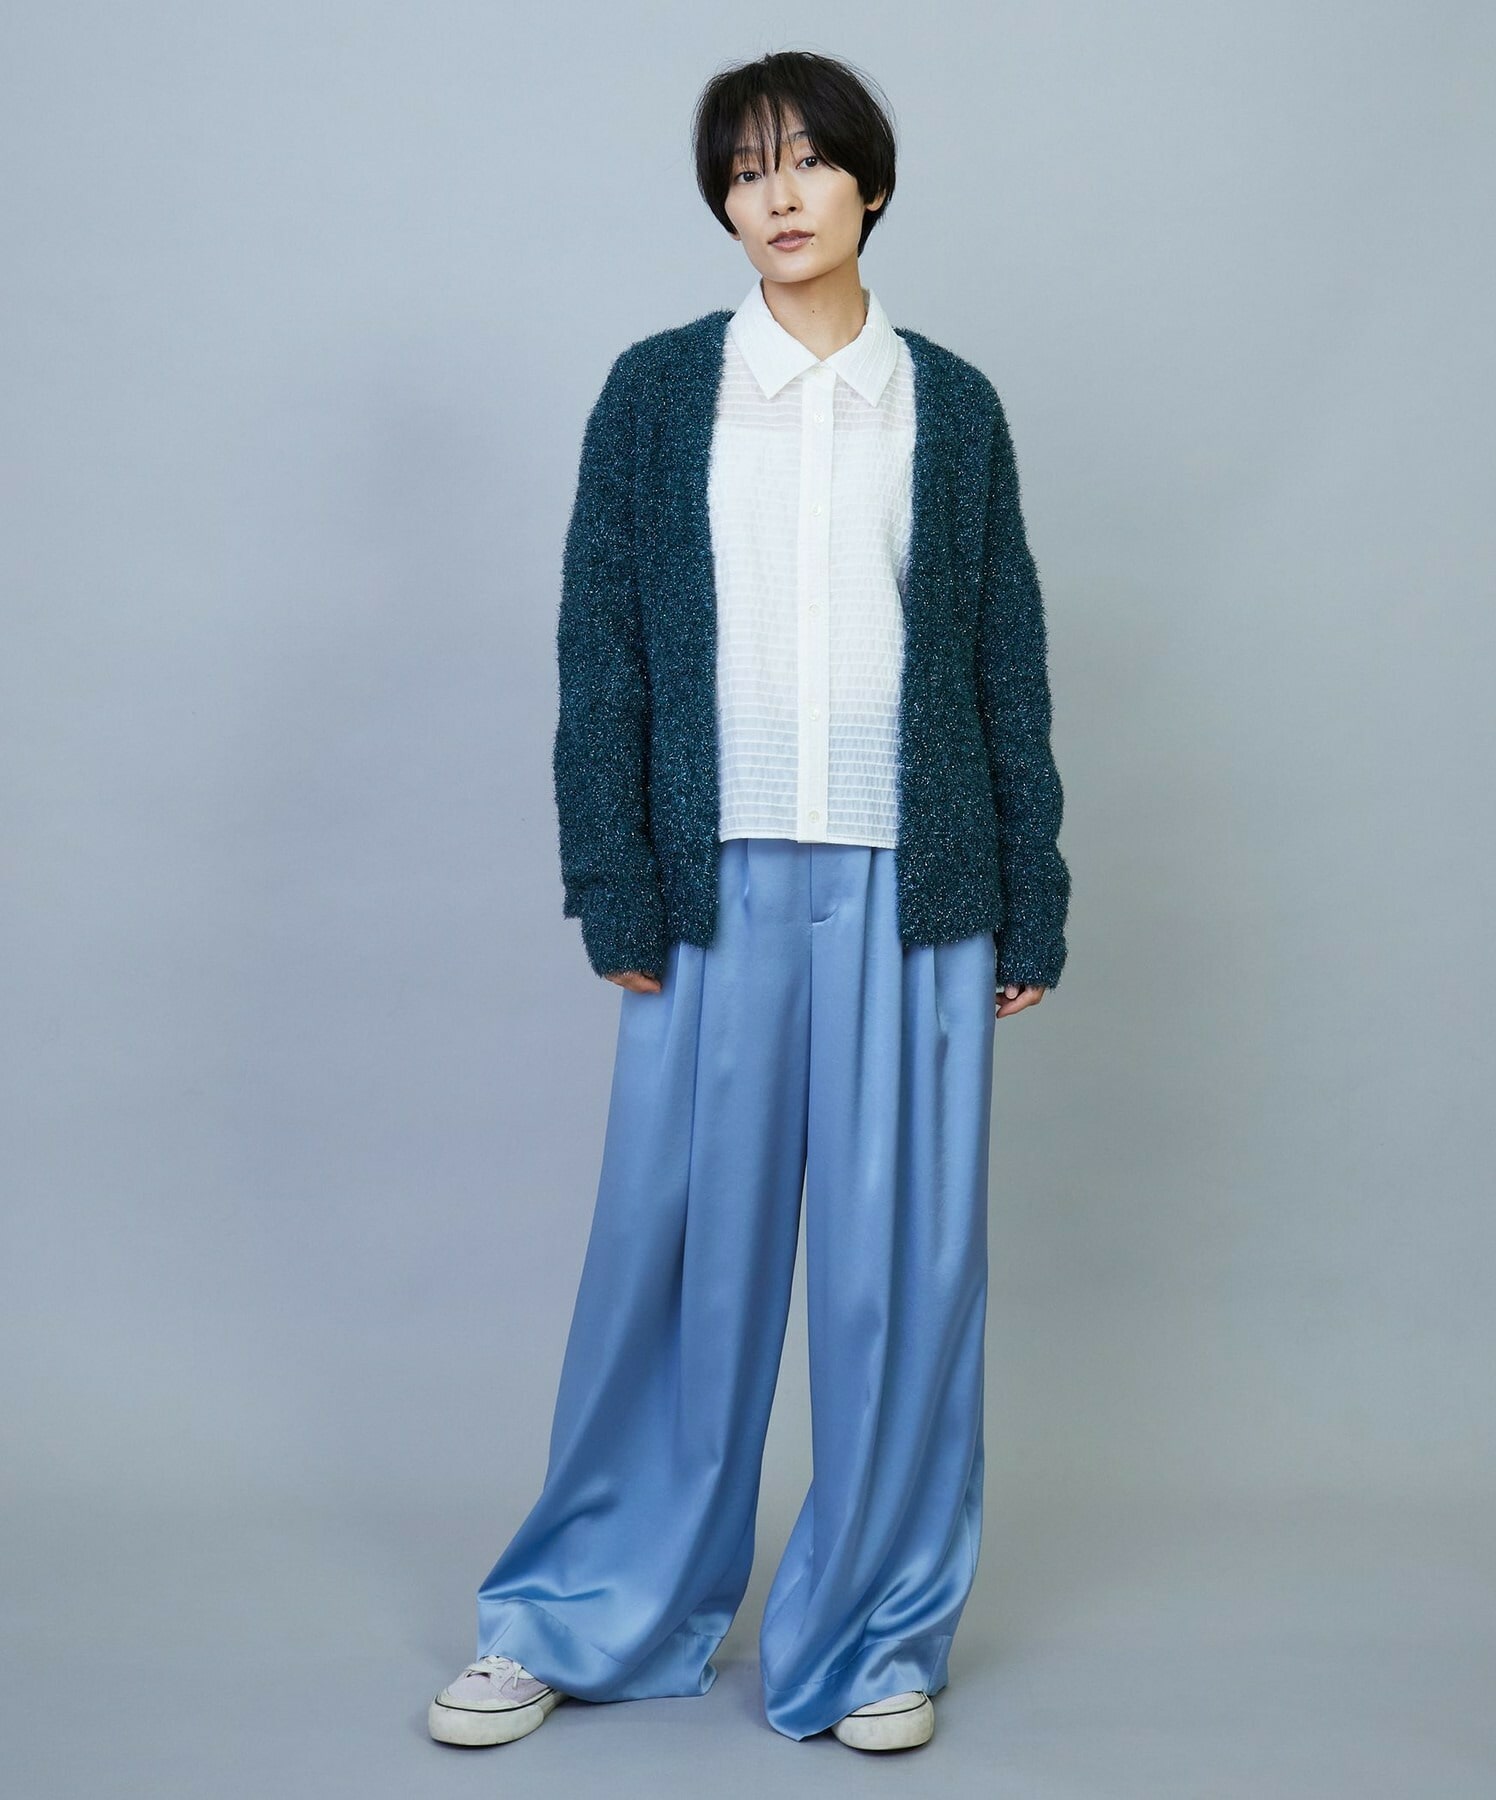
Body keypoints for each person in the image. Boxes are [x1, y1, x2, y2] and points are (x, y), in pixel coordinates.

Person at [428, 47, 1070, 1755]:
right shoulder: (658, 394)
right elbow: (603, 655)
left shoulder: (952, 405)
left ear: (871, 182)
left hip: (917, 889)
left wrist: (1031, 892)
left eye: (805, 162)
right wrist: (612, 880)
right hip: (710, 889)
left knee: (901, 1280)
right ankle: (581, 1610)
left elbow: (1005, 663)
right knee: (675, 1270)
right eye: (742, 171)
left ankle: (875, 1636)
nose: (775, 196)